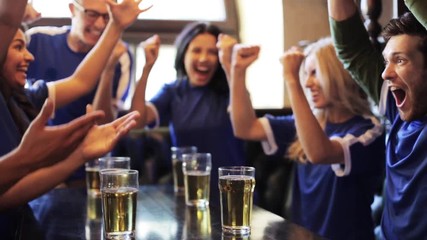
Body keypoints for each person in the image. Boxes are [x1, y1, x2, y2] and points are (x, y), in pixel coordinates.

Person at [219, 36, 385, 240]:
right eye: (305, 74)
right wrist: (237, 70)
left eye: (315, 73)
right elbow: (245, 128)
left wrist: (291, 79)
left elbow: (319, 152)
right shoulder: (308, 122)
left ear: (340, 74)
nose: (307, 83)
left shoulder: (368, 130)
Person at [328, 0, 427, 239]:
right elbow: (351, 48)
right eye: (386, 61)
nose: (386, 73)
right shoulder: (396, 109)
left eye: (400, 60)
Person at [130, 22, 247, 201]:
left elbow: (247, 122)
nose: (203, 58)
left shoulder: (232, 90)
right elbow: (137, 121)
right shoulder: (173, 91)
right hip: (189, 195)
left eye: (212, 52)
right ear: (183, 53)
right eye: (196, 50)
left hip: (233, 195)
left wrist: (231, 64)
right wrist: (146, 68)